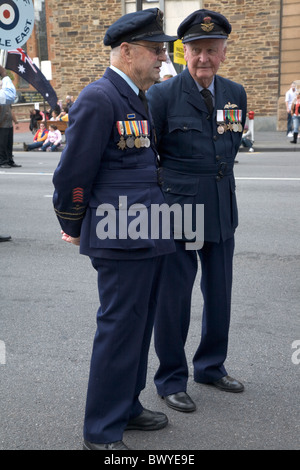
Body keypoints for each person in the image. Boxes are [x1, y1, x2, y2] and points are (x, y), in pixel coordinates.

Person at [52, 8, 175, 450]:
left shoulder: (136, 97)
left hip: (148, 231)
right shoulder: (99, 97)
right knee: (119, 330)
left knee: (139, 330)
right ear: (127, 51)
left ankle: (126, 404)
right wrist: (74, 222)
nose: (162, 58)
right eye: (155, 50)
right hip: (119, 237)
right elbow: (72, 176)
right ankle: (101, 430)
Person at [147, 9, 247, 413]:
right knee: (175, 298)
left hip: (222, 207)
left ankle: (210, 365)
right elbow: (146, 155)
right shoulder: (162, 95)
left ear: (223, 52)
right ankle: (172, 377)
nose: (204, 58)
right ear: (182, 52)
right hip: (180, 211)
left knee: (220, 293)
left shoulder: (235, 92)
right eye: (196, 51)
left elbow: (231, 144)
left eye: (211, 50)